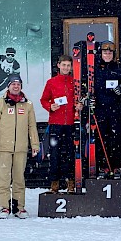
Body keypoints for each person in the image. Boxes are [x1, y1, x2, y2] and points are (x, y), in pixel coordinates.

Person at [0, 74, 39, 219]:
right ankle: (4, 207)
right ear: (8, 86)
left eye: (18, 84)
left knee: (19, 179)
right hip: (3, 147)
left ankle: (19, 207)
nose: (16, 86)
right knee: (3, 178)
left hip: (21, 148)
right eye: (13, 84)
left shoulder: (28, 104)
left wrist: (34, 144)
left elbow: (32, 126)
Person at [40, 55, 83, 193]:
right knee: (55, 154)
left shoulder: (75, 82)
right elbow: (44, 100)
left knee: (71, 153)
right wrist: (50, 106)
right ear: (58, 65)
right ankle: (55, 183)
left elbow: (80, 100)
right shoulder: (51, 82)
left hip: (71, 123)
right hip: (55, 123)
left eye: (68, 65)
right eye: (63, 65)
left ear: (71, 67)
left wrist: (80, 106)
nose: (66, 68)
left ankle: (71, 181)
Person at [93, 41, 121, 179]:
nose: (107, 54)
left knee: (117, 139)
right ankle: (103, 167)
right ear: (101, 54)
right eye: (105, 52)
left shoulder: (119, 69)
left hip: (116, 110)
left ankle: (117, 167)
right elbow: (88, 87)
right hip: (101, 110)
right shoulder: (95, 69)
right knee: (101, 139)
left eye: (110, 52)